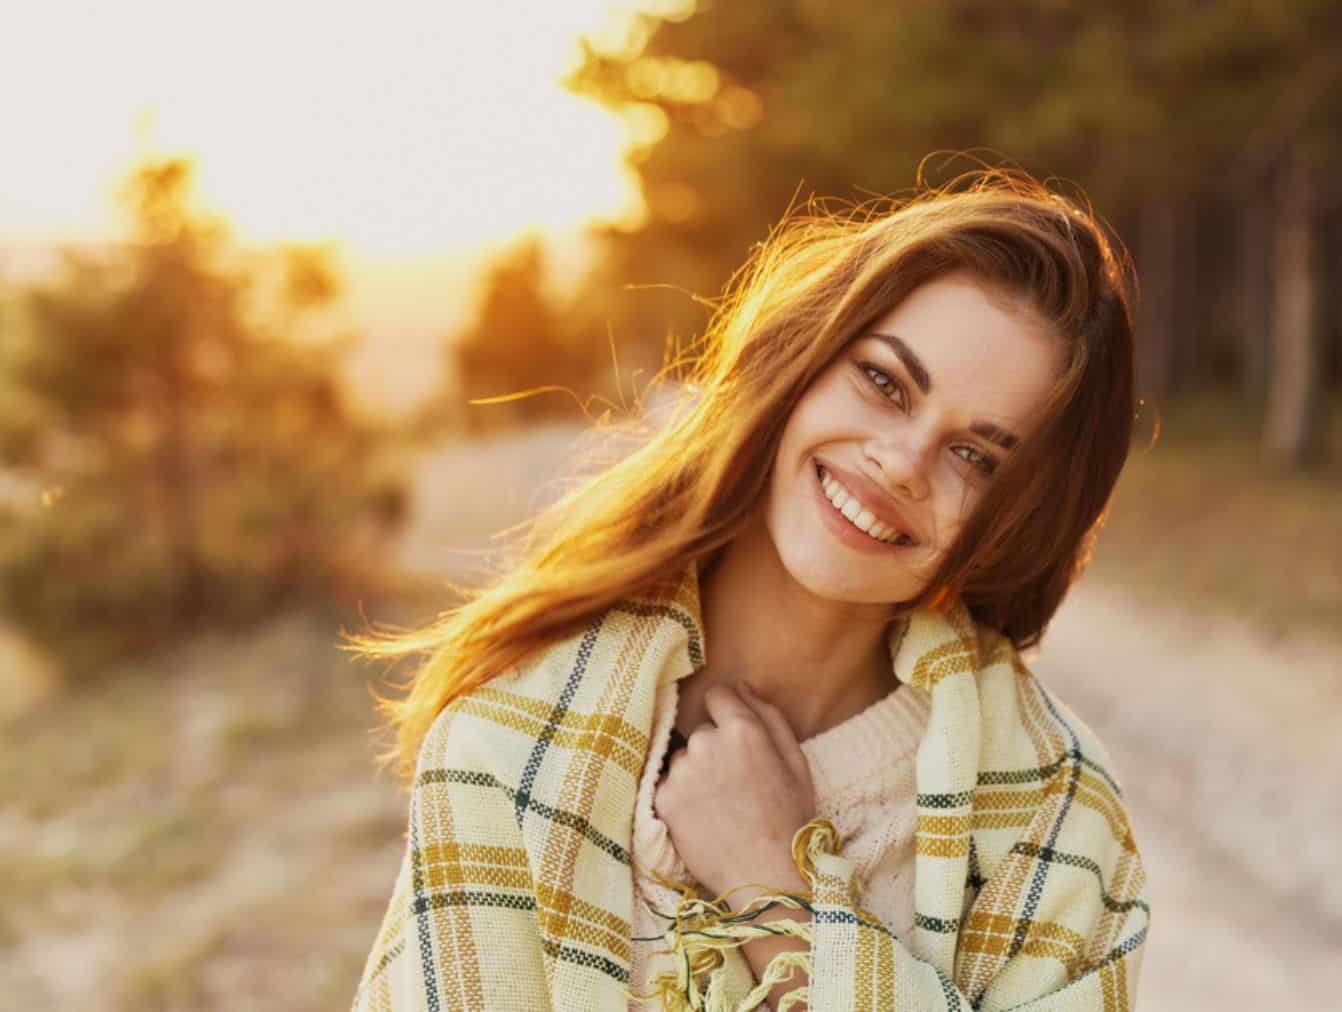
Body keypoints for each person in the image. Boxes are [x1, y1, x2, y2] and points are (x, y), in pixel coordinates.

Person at [346, 167, 1151, 1011]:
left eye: (976, 457)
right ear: (801, 360)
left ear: (1020, 520)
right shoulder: (507, 736)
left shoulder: (1059, 817)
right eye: (884, 383)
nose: (900, 463)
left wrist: (781, 900)